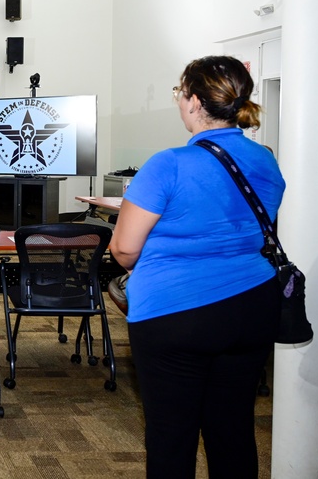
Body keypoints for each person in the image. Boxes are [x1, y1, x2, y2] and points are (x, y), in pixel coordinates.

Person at [108, 55, 284, 479]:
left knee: (172, 436)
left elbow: (124, 250)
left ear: (194, 101)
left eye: (179, 93)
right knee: (233, 429)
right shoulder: (265, 160)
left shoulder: (168, 163)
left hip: (175, 315)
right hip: (254, 306)